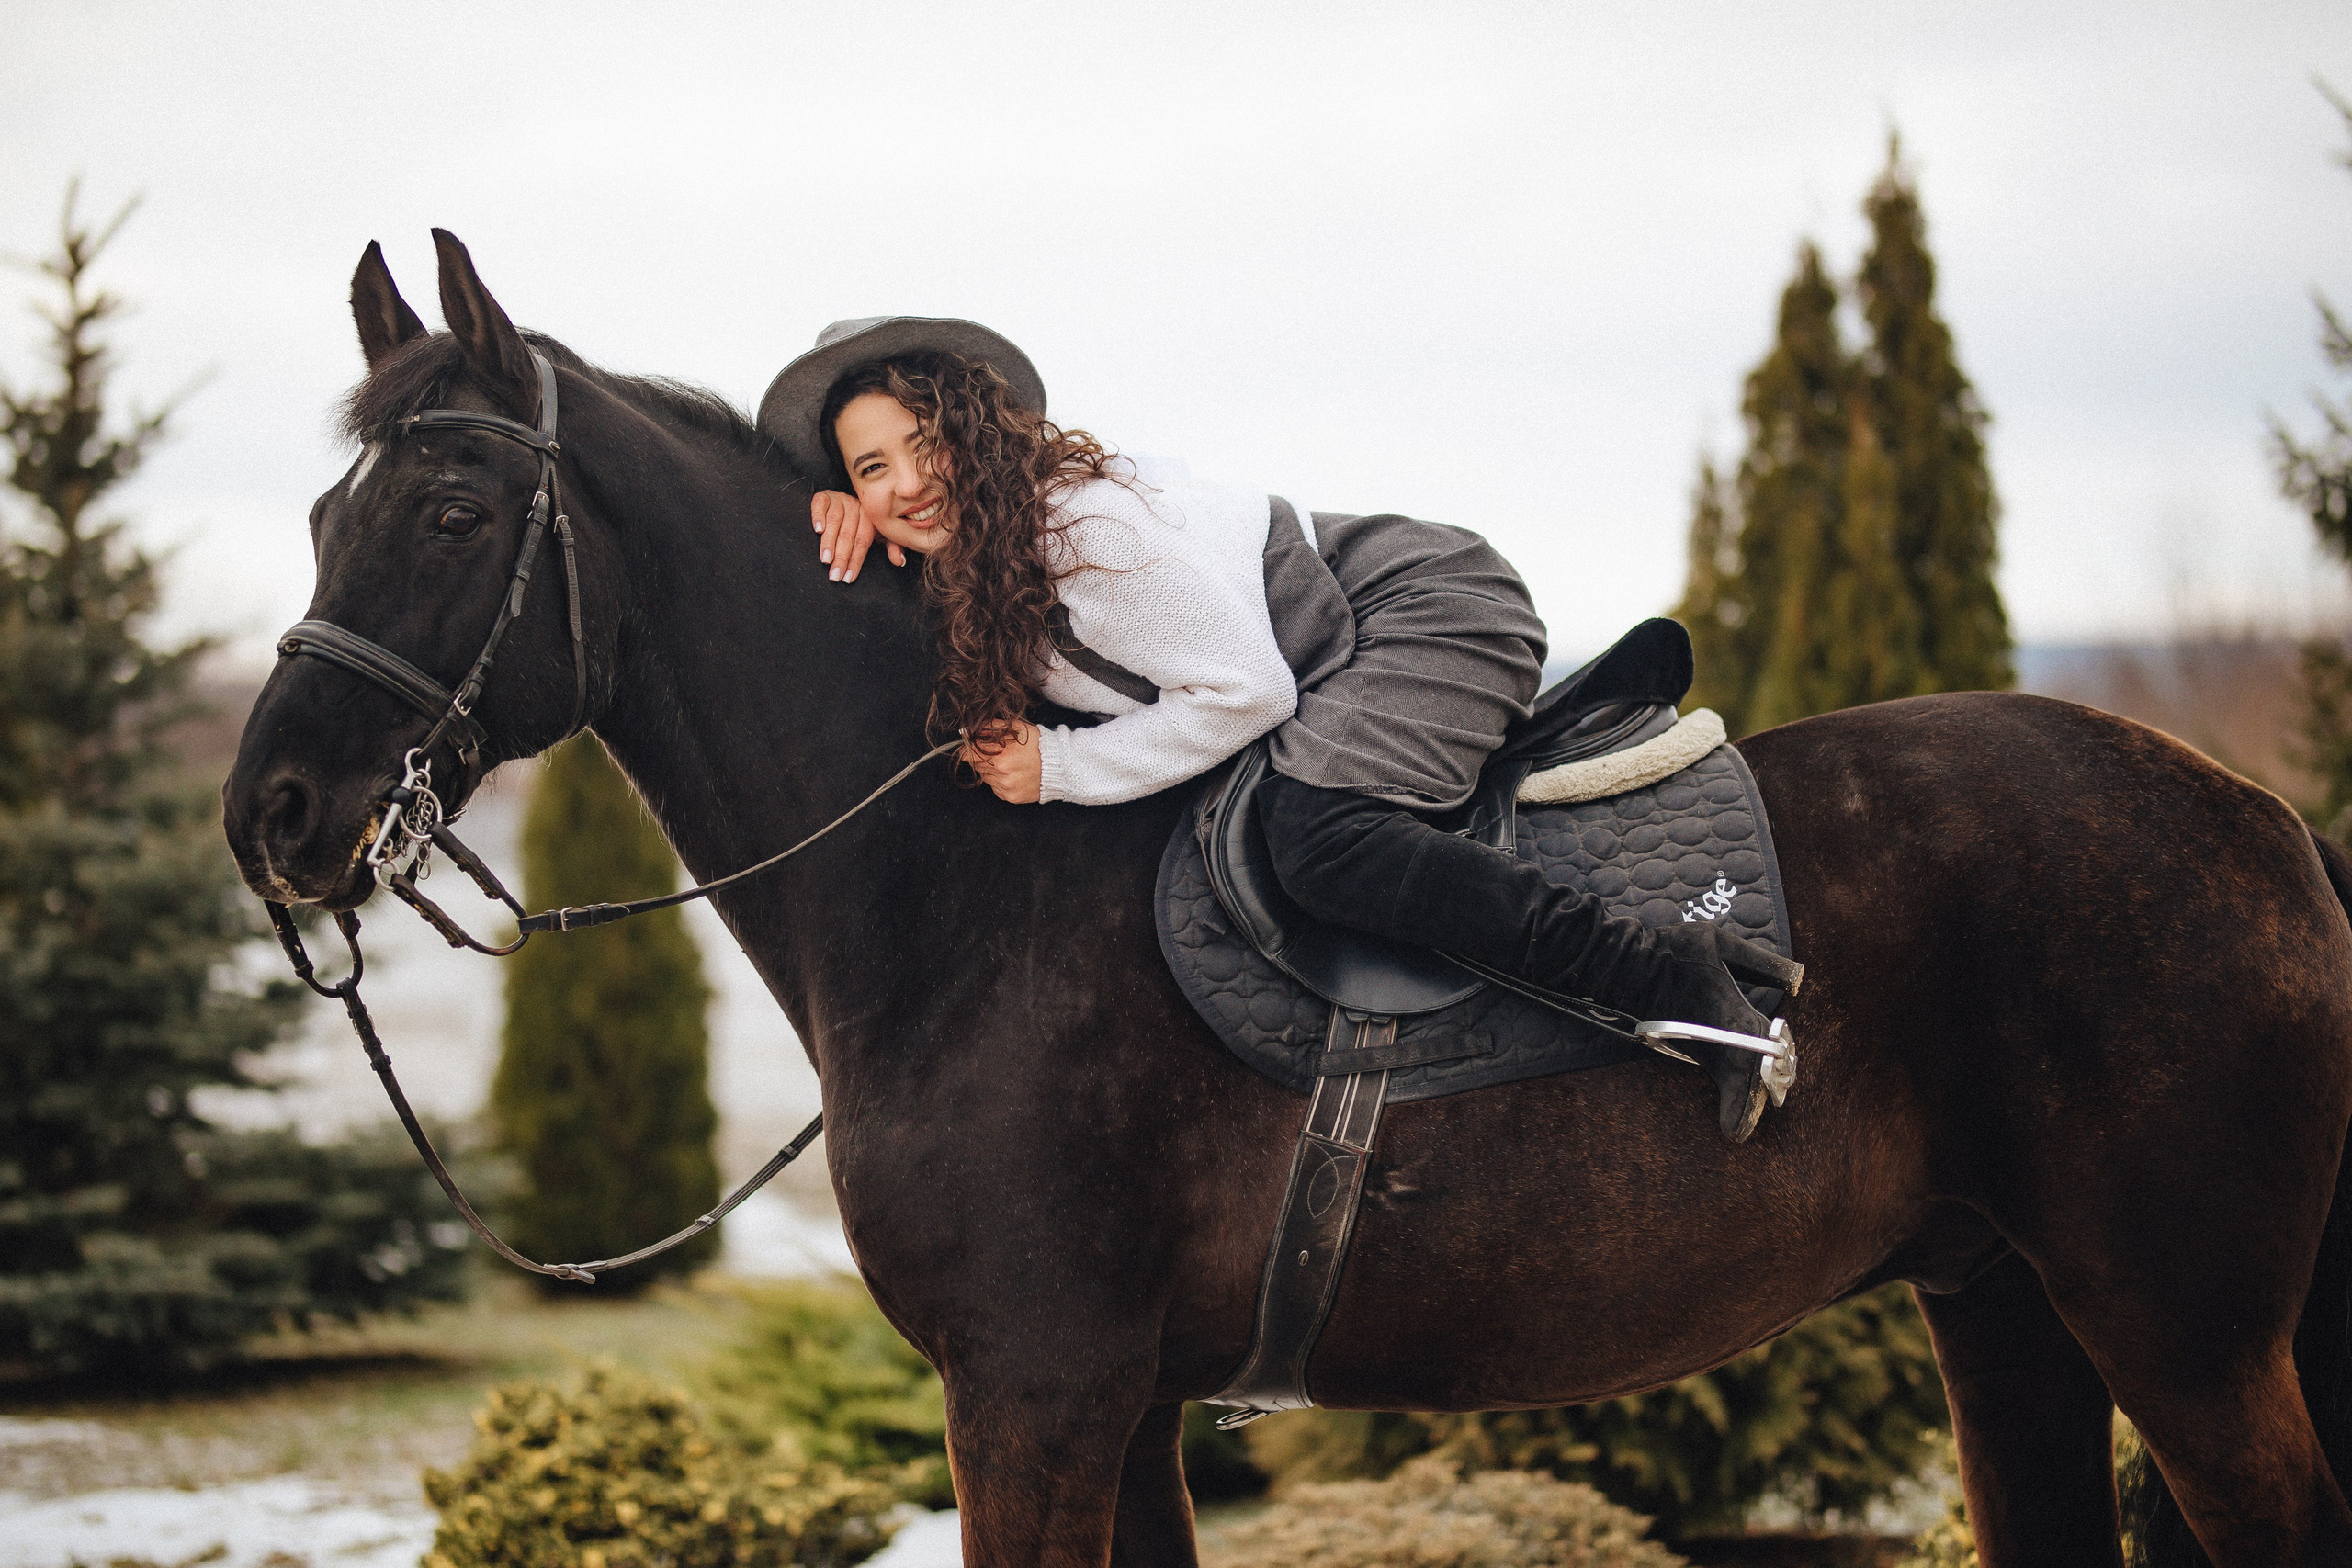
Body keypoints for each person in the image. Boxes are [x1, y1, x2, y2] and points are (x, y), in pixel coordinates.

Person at [758, 318, 1792, 1142]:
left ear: (980, 433)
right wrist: (830, 525)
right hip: (1330, 658)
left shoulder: (1079, 530)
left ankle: (1673, 979)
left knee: (1322, 841)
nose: (908, 482)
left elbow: (1247, 692)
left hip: (1422, 608)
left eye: (925, 443)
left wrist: (1059, 767)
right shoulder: (979, 570)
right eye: (871, 469)